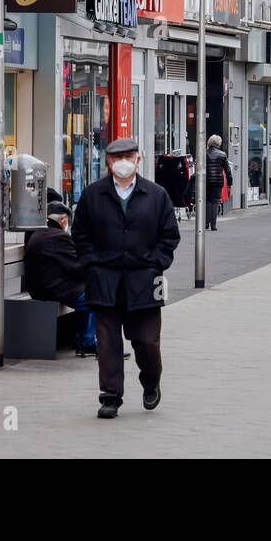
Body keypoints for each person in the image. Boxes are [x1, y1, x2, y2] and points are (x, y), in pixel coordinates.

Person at [71, 138, 180, 419]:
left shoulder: (156, 195)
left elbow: (169, 236)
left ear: (138, 160)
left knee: (146, 341)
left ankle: (151, 380)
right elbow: (80, 233)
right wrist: (91, 263)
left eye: (128, 156)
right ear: (108, 161)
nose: (122, 161)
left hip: (144, 279)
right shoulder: (93, 194)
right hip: (104, 278)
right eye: (116, 157)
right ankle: (110, 396)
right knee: (107, 341)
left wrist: (156, 264)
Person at [25, 201, 97, 355]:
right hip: (51, 288)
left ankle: (82, 339)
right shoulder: (57, 236)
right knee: (94, 296)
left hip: (41, 285)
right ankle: (87, 341)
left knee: (89, 291)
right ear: (63, 220)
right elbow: (77, 267)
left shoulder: (41, 233)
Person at [204, 134, 233, 229]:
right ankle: (214, 225)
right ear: (218, 143)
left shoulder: (204, 153)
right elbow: (227, 170)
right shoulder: (222, 154)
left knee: (207, 201)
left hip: (206, 181)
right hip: (218, 181)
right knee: (215, 202)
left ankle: (206, 222)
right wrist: (230, 183)